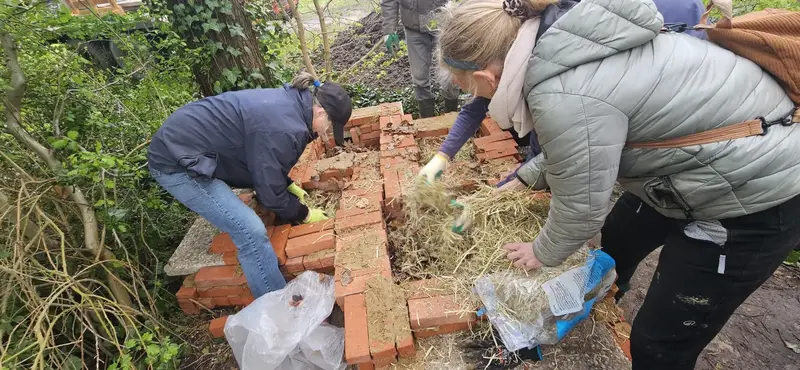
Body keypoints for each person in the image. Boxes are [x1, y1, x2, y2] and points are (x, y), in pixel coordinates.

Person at [435, 0, 800, 369]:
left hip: (752, 197)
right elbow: (589, 142)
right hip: (697, 166)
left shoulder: (561, 91)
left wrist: (540, 252)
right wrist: (524, 180)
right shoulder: (566, 47)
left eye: (463, 83)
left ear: (487, 77)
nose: (461, 88)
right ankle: (608, 301)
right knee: (613, 244)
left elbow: (581, 210)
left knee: (658, 343)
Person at [418, 0, 708, 188]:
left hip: (691, 140)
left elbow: (554, 154)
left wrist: (498, 194)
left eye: (464, 84)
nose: (466, 92)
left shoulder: (558, 82)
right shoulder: (522, 36)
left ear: (486, 76)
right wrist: (442, 156)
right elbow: (478, 104)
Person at [147, 73, 352, 298]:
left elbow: (261, 159)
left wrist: (286, 184)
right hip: (177, 162)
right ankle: (276, 308)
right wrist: (303, 214)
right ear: (321, 111)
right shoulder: (284, 127)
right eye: (330, 126)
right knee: (251, 232)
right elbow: (269, 192)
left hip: (192, 144)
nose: (327, 132)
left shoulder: (292, 105)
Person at [381, 0, 460, 118]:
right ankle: (426, 121)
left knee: (450, 75)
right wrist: (389, 29)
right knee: (419, 79)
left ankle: (452, 117)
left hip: (443, 23)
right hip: (414, 28)